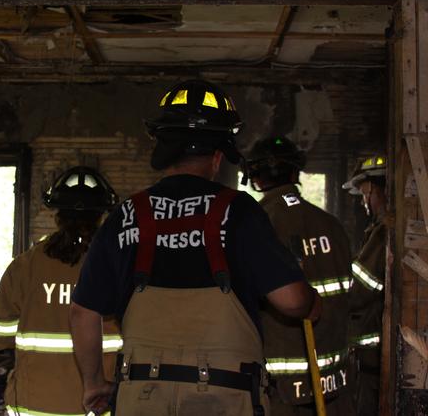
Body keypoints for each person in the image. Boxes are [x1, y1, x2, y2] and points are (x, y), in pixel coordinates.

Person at [70, 79, 321, 416]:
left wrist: (94, 382)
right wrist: (311, 302)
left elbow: (83, 311)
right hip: (225, 398)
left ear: (162, 150)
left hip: (142, 396)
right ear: (218, 157)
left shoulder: (127, 215)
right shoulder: (240, 211)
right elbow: (291, 301)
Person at [0, 166, 122, 416]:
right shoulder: (118, 266)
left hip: (34, 406)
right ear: (102, 215)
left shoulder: (25, 266)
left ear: (57, 215)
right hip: (98, 406)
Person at [245, 136, 355, 415]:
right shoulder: (332, 225)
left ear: (254, 178)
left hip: (279, 387)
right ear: (296, 174)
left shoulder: (255, 225)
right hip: (335, 380)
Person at [342, 154, 387, 416]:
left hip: (374, 356)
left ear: (373, 189)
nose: (363, 201)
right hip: (373, 356)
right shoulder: (380, 230)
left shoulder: (384, 233)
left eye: (363, 193)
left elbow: (359, 290)